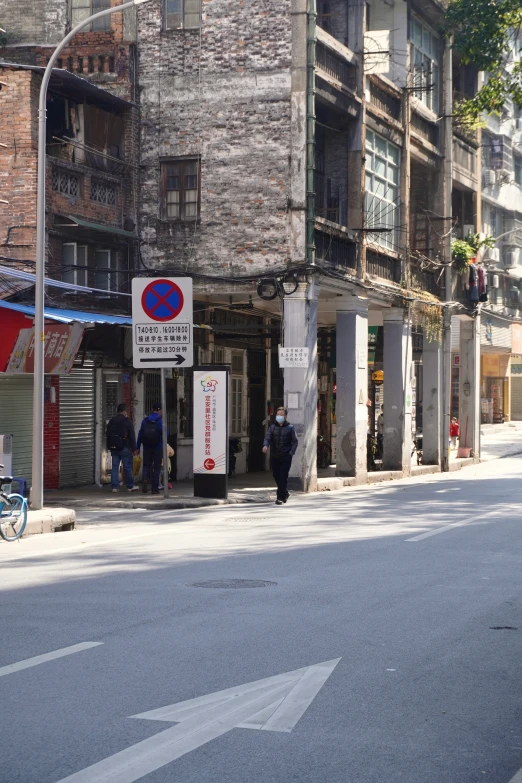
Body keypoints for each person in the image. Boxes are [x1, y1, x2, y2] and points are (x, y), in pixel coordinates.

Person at [262, 407, 298, 505]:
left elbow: (295, 442)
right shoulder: (272, 427)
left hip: (286, 456)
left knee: (283, 477)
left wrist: (291, 453)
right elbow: (267, 438)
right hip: (275, 456)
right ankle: (285, 493)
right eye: (278, 415)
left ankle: (280, 497)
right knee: (276, 475)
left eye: (281, 415)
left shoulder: (290, 428)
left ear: (285, 416)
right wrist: (265, 445)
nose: (279, 417)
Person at [106, 403, 139, 493]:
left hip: (114, 448)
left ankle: (115, 487)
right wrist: (134, 448)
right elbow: (132, 435)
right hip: (125, 447)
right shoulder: (127, 421)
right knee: (127, 467)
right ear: (125, 411)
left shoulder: (112, 421)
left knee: (115, 467)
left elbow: (108, 434)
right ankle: (130, 486)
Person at [137, 402, 166, 495]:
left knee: (146, 465)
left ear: (152, 409)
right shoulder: (161, 420)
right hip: (158, 447)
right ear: (160, 410)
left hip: (147, 447)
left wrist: (137, 447)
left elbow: (140, 434)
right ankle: (154, 489)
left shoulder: (145, 420)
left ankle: (145, 478)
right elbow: (166, 434)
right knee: (157, 467)